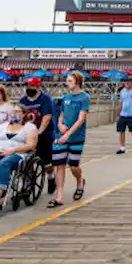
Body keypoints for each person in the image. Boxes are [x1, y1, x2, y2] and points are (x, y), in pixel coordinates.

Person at [0, 104, 38, 209]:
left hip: (17, 154)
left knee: (3, 164)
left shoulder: (29, 127)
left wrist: (12, 150)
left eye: (18, 111)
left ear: (24, 114)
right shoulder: (2, 126)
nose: (14, 114)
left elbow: (31, 145)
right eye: (13, 111)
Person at [48, 71, 90, 207]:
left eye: (70, 81)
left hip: (76, 136)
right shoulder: (66, 97)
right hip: (61, 135)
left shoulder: (84, 98)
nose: (67, 83)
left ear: (77, 82)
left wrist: (68, 134)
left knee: (73, 166)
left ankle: (80, 180)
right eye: (67, 80)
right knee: (59, 165)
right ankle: (59, 196)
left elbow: (81, 119)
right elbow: (62, 113)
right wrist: (60, 125)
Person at [19, 77, 56, 195]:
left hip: (44, 132)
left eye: (32, 87)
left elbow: (46, 117)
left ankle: (51, 177)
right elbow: (19, 115)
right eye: (28, 87)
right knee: (26, 158)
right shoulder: (23, 100)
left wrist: (39, 131)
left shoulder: (45, 99)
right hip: (28, 132)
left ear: (38, 87)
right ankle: (28, 182)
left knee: (46, 161)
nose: (29, 89)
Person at [115, 77, 132, 154]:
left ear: (131, 82)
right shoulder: (122, 91)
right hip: (123, 114)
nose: (127, 83)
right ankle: (122, 148)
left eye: (128, 82)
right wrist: (118, 115)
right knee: (121, 130)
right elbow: (120, 103)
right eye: (125, 82)